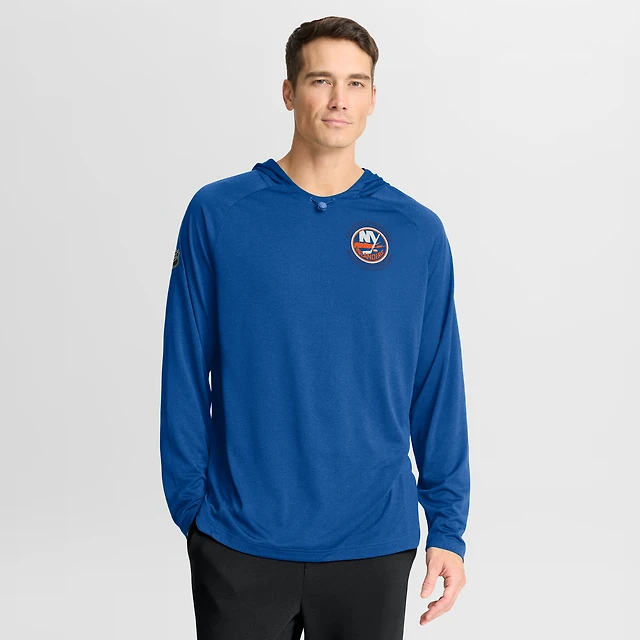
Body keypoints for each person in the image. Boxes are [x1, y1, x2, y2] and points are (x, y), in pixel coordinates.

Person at [160, 15, 470, 639]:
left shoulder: (416, 232)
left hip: (372, 543)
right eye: (320, 80)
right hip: (238, 541)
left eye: (356, 83)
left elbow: (437, 384)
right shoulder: (219, 213)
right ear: (289, 91)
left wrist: (447, 525)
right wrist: (193, 509)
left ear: (374, 98)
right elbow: (185, 368)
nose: (338, 100)